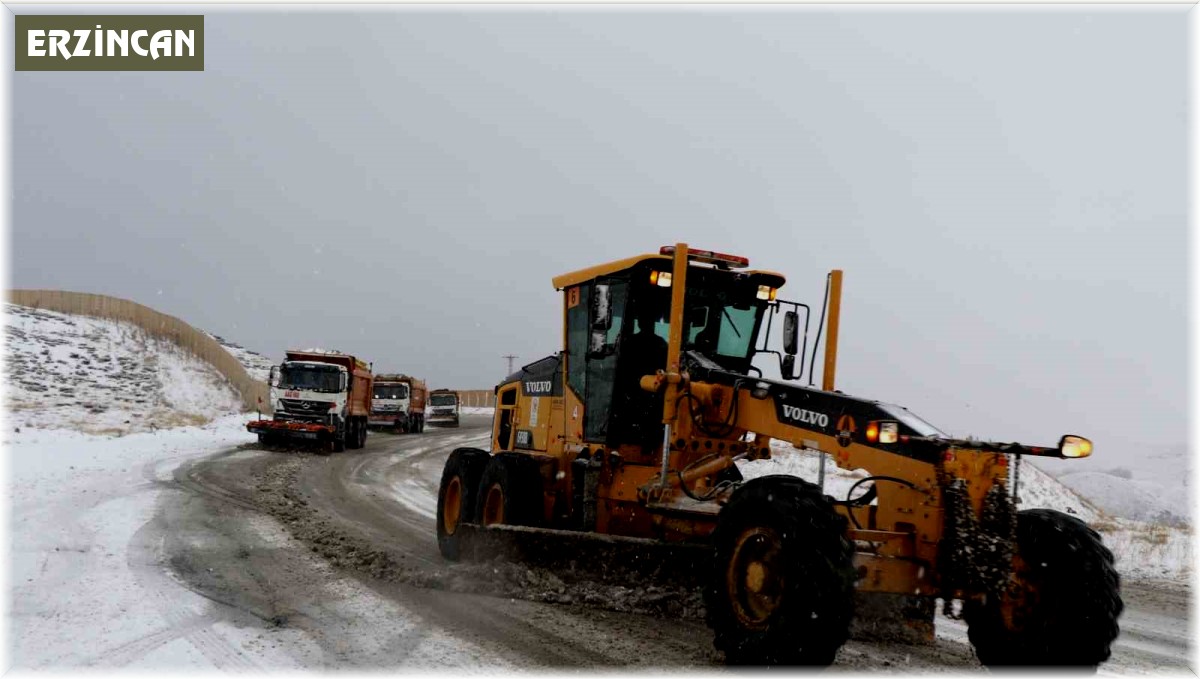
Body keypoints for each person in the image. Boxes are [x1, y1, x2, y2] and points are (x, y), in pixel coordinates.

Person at [618, 301, 669, 448]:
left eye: (647, 319)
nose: (645, 323)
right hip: (639, 396)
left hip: (643, 396)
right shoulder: (659, 345)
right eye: (644, 319)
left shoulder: (631, 343)